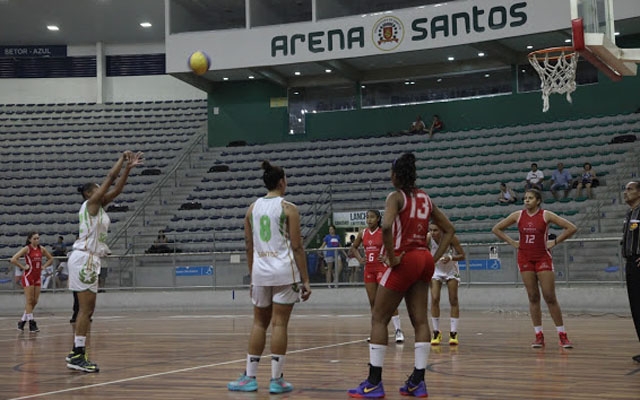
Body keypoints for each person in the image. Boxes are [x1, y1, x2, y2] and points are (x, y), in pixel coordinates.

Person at [348, 153, 455, 399]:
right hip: (424, 259)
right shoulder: (426, 198)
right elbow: (449, 230)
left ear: (396, 175)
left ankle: (374, 383)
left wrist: (395, 256)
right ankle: (418, 381)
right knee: (420, 321)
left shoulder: (395, 197)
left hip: (405, 259)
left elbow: (386, 226)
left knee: (378, 318)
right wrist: (435, 257)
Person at [228, 160, 311, 394]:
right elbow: (297, 246)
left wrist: (253, 274)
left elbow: (248, 245)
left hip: (261, 272)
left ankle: (250, 377)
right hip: (285, 272)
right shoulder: (288, 208)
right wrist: (305, 279)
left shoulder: (252, 209)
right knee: (279, 324)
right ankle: (276, 380)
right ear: (282, 182)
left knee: (259, 323)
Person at [66, 150, 143, 373]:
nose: (103, 188)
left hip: (88, 259)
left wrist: (128, 169)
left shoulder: (98, 208)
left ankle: (76, 351)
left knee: (87, 310)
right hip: (85, 258)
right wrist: (122, 159)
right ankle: (78, 354)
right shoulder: (91, 204)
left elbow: (117, 189)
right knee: (85, 310)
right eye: (98, 186)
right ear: (91, 192)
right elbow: (111, 178)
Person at [491, 188, 577, 348]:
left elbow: (571, 227)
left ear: (538, 200)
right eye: (525, 198)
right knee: (533, 296)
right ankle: (539, 335)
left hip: (542, 257)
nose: (526, 201)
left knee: (550, 296)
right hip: (525, 258)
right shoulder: (518, 215)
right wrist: (512, 242)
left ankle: (562, 334)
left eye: (530, 198)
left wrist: (555, 241)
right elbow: (496, 228)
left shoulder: (546, 215)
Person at [349, 210, 405, 344]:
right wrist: (360, 258)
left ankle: (398, 330)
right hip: (369, 270)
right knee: (373, 302)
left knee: (387, 301)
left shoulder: (384, 232)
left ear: (378, 219)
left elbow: (395, 247)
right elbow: (354, 247)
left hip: (382, 269)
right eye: (367, 217)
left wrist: (386, 257)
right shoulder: (363, 233)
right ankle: (376, 330)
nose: (369, 220)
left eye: (372, 217)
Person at [428, 223, 466, 346]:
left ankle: (453, 332)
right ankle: (436, 331)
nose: (433, 233)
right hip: (436, 270)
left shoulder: (451, 238)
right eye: (431, 230)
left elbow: (462, 255)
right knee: (434, 298)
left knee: (453, 299)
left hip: (451, 270)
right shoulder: (428, 238)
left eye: (435, 230)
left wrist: (450, 257)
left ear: (441, 230)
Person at [10, 232, 54, 332]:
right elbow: (13, 259)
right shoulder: (27, 248)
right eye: (34, 238)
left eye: (38, 238)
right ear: (30, 239)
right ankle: (31, 323)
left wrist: (44, 266)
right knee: (29, 300)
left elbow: (51, 258)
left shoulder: (41, 249)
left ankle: (22, 321)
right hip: (28, 276)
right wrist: (23, 267)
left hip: (37, 276)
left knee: (35, 301)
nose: (37, 240)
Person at [621, 181, 640, 363]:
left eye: (630, 189)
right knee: (636, 307)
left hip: (638, 261)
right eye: (625, 189)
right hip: (631, 263)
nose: (625, 192)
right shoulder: (629, 213)